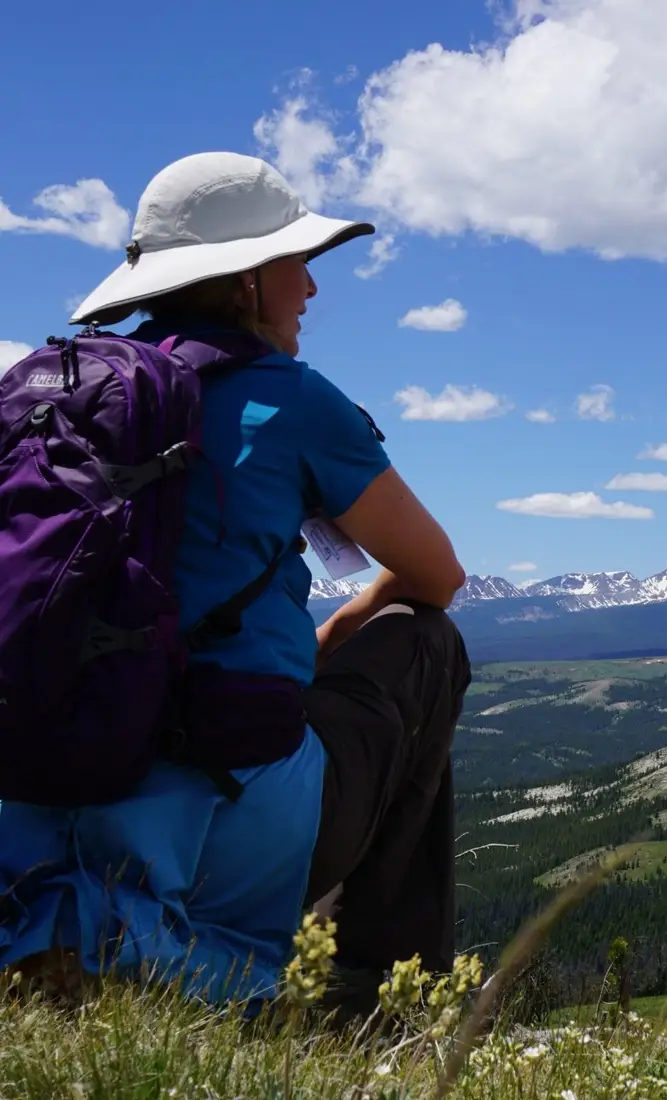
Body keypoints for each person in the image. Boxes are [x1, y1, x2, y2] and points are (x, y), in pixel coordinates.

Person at [0, 151, 471, 1015]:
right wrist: (338, 633)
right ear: (249, 281)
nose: (312, 292)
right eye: (299, 265)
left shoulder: (54, 396)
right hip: (230, 816)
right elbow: (436, 576)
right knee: (428, 643)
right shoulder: (291, 398)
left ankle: (71, 925)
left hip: (38, 799)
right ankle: (373, 994)